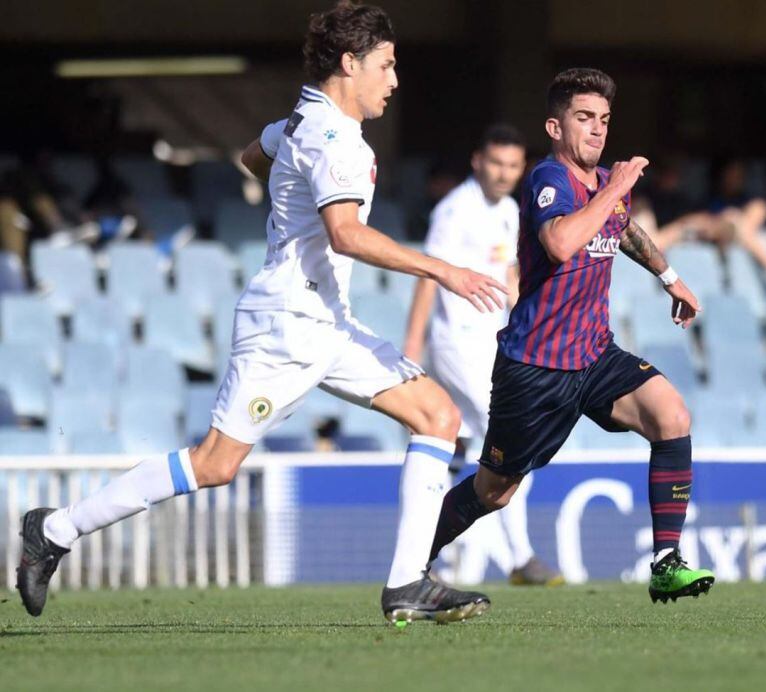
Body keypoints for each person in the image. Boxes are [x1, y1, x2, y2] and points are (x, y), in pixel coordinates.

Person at [17, 1, 505, 625]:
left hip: (327, 322)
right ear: (350, 63)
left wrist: (287, 212)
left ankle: (407, 584)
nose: (395, 80)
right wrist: (444, 269)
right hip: (287, 328)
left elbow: (254, 156)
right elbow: (348, 235)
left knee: (437, 416)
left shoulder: (302, 120)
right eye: (386, 65)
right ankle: (53, 531)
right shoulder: (336, 141)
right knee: (215, 464)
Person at [424, 68, 715, 604]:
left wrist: (670, 278)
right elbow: (560, 242)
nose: (598, 130)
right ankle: (412, 561)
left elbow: (622, 227)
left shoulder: (605, 183)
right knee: (495, 490)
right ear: (555, 127)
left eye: (604, 120)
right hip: (536, 366)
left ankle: (666, 562)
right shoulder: (546, 180)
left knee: (671, 415)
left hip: (593, 353)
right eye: (585, 118)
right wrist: (619, 188)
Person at [402, 123, 563, 587]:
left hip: (494, 344)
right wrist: (414, 347)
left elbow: (509, 275)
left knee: (474, 447)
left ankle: (428, 547)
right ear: (478, 161)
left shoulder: (512, 210)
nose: (504, 173)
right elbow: (429, 275)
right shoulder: (455, 211)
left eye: (513, 166)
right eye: (496, 163)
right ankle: (521, 559)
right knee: (511, 439)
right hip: (455, 342)